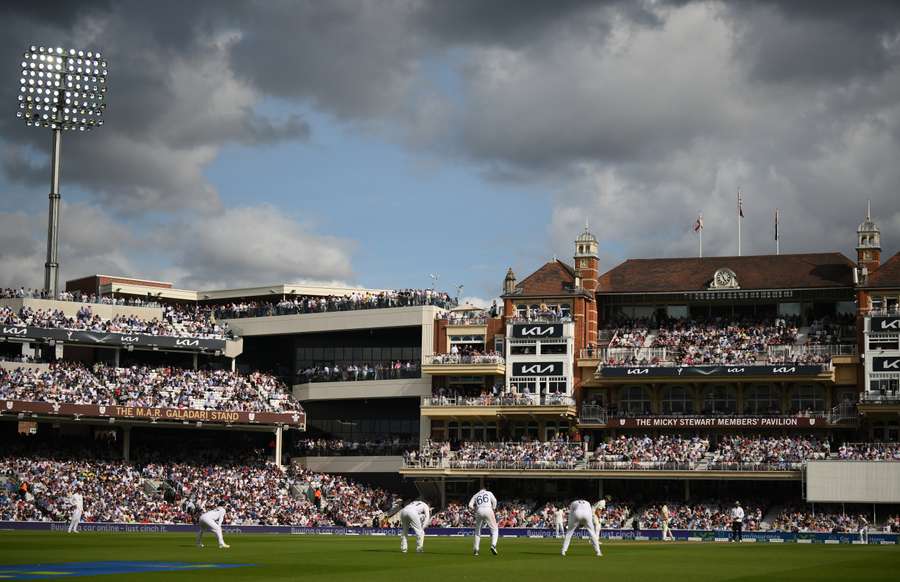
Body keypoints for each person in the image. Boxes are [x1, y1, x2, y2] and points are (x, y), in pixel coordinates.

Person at [468, 488, 498, 556]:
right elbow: (495, 501)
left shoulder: (476, 495)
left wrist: (475, 509)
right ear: (485, 489)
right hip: (488, 509)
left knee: (477, 531)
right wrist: (493, 508)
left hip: (479, 510)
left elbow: (470, 505)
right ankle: (493, 545)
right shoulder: (489, 493)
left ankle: (476, 550)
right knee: (495, 529)